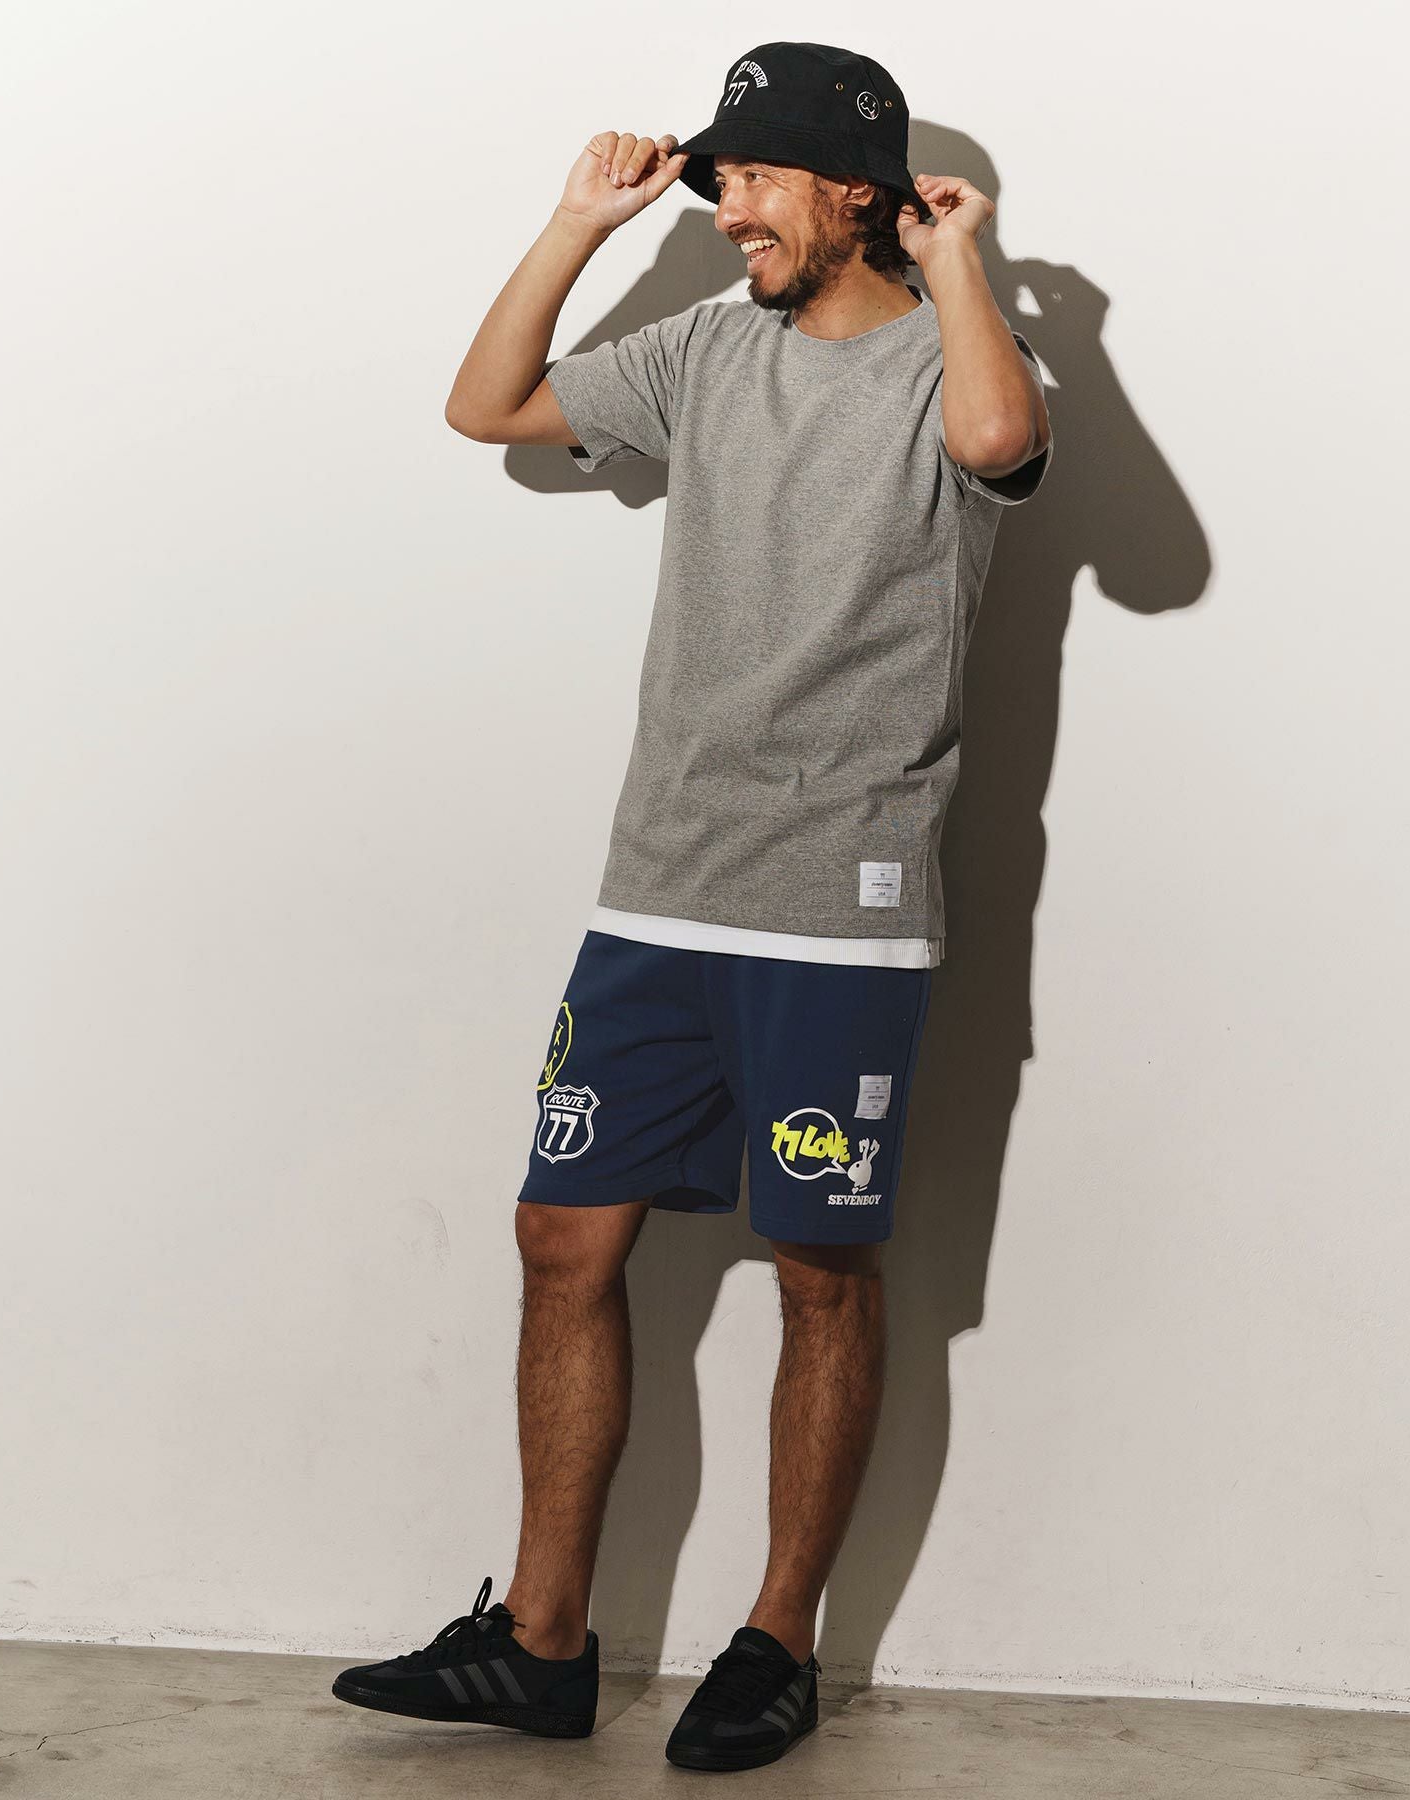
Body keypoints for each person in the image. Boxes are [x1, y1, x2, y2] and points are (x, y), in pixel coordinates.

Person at [331, 40, 1052, 1775]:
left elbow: (999, 443)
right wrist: (579, 225)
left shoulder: (960, 353)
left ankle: (776, 1640)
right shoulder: (706, 350)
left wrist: (959, 260)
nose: (727, 209)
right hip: (661, 883)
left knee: (822, 1273)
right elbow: (487, 407)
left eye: (758, 179)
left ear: (856, 191)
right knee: (560, 1238)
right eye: (721, 180)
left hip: (841, 902)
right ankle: (542, 1642)